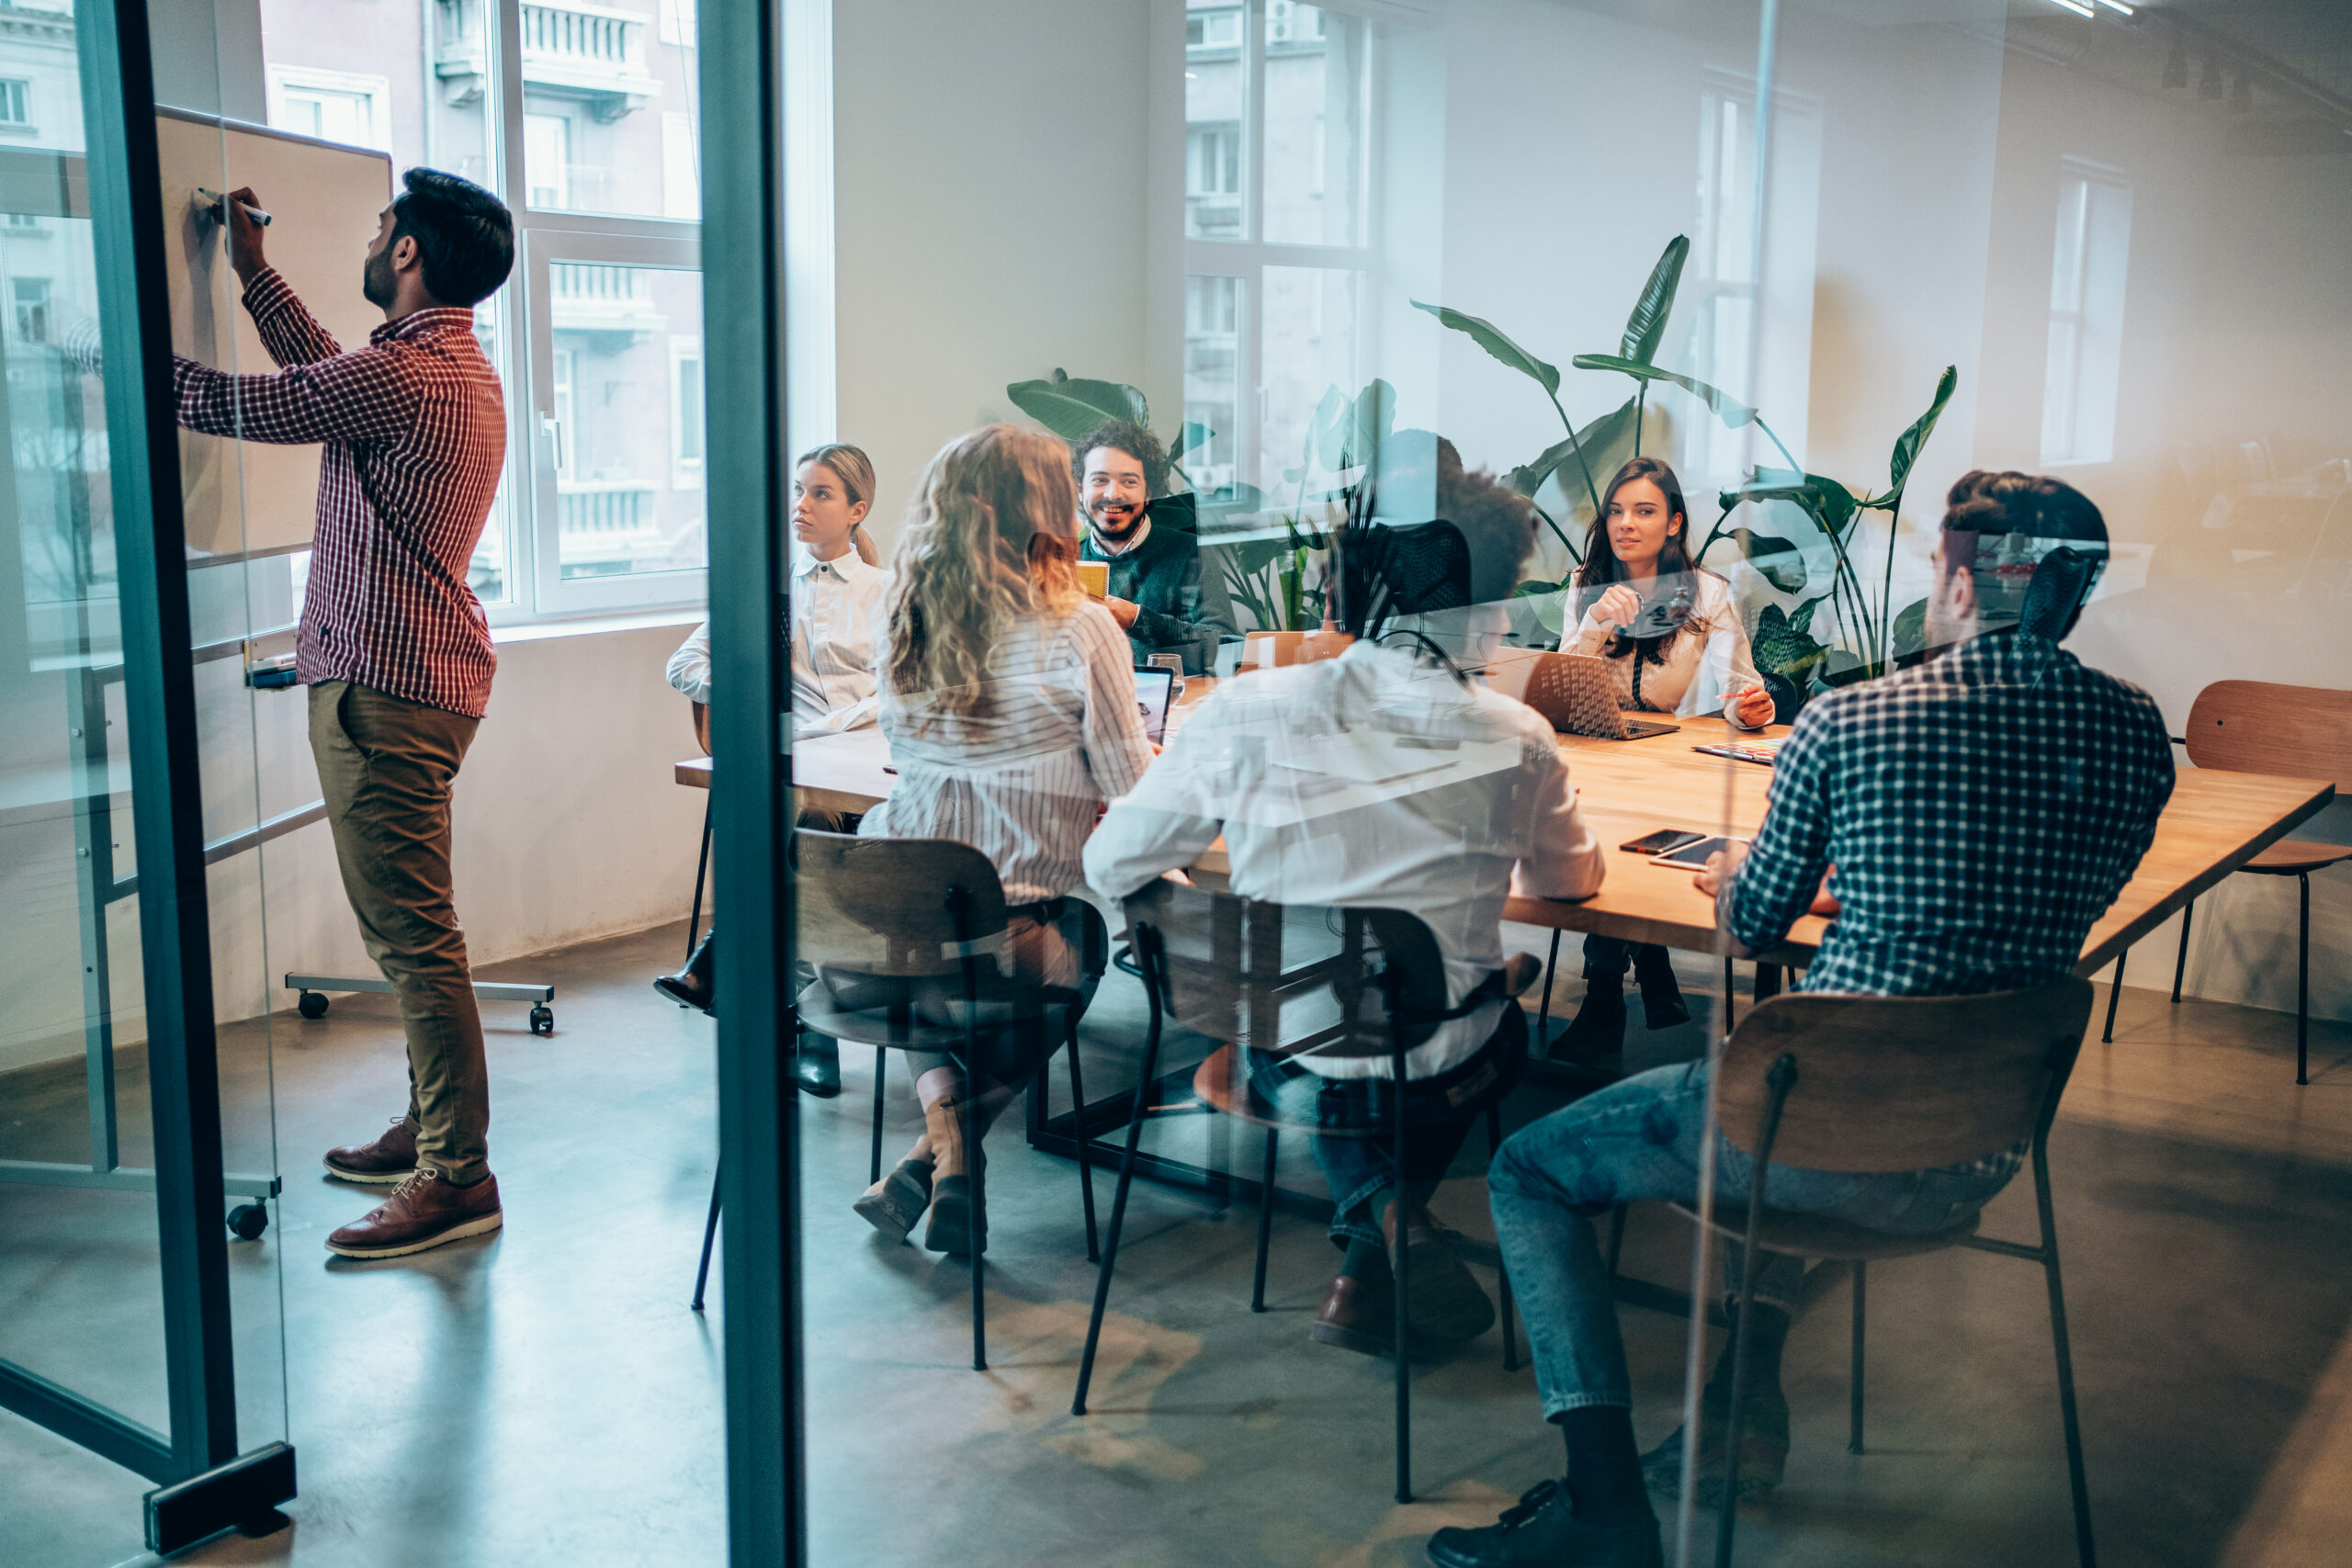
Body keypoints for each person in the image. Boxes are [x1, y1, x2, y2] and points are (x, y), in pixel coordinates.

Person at [1426, 471, 2174, 1568]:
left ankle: (1601, 1508)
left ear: (1966, 583)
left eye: (1938, 565)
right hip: (1984, 1134)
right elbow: (2064, 894)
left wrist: (1740, 866)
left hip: (1816, 1128)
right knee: (1790, 1090)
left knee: (1532, 1169)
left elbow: (1758, 917)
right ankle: (1741, 1399)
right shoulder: (2132, 729)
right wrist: (1881, 886)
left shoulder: (1857, 719)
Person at [1086, 462, 1605, 1358]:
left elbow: (1112, 860)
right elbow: (1570, 884)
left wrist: (1202, 921)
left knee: (1319, 1020)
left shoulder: (1246, 710)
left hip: (1278, 1045)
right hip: (1444, 1059)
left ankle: (1375, 1244)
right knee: (1500, 1021)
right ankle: (1381, 1244)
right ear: (1482, 609)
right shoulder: (1513, 735)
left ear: (1344, 593)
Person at [166, 172, 516, 1260]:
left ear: (408, 253)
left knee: (415, 943)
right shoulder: (443, 367)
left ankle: (457, 1174)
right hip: (414, 685)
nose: (370, 245)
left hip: (386, 695)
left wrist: (112, 353)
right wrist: (255, 272)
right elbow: (324, 372)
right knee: (417, 934)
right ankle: (433, 1129)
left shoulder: (409, 377)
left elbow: (252, 404)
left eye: (378, 232)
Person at [848, 424, 1155, 1254]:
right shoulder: (1081, 627)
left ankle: (937, 1163)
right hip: (1003, 938)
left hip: (867, 930)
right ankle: (941, 1161)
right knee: (1080, 941)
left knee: (927, 966)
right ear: (1047, 510)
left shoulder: (903, 616)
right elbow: (1134, 797)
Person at [655, 445, 890, 1096]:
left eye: (820, 494)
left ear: (856, 510)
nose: (801, 506)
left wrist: (846, 720)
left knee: (799, 821)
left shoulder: (888, 593)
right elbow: (682, 665)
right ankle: (809, 1025)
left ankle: (721, 960)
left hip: (868, 760)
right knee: (799, 815)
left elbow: (912, 687)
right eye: (798, 491)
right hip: (797, 762)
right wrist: (748, 691)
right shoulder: (770, 589)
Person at [1553, 457, 1775, 1064]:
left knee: (1631, 830)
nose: (1626, 524)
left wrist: (1753, 708)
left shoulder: (1707, 593)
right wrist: (1596, 620)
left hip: (1670, 756)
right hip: (1595, 751)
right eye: (1617, 510)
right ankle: (1645, 960)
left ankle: (1603, 994)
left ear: (1674, 522)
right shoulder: (1586, 582)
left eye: (1645, 511)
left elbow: (1741, 692)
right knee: (1590, 825)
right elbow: (1563, 686)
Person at [1074, 420, 1235, 674]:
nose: (1112, 494)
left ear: (1149, 493)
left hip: (1174, 707)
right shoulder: (1064, 561)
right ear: (1080, 491)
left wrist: (1139, 620)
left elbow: (1223, 645)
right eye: (1100, 480)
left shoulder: (1191, 553)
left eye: (1129, 482)